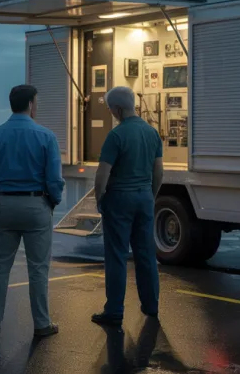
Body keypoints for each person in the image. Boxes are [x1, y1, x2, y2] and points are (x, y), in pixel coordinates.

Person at [0, 84, 63, 338]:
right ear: (30, 104)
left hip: (4, 203)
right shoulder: (46, 136)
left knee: (0, 266)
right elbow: (54, 179)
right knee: (38, 268)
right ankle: (41, 324)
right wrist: (52, 201)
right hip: (35, 204)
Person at [89, 86, 162, 326]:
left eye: (111, 109)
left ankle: (114, 310)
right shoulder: (152, 133)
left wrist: (100, 197)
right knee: (146, 255)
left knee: (117, 256)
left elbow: (103, 173)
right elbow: (158, 171)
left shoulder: (116, 136)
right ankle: (151, 306)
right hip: (144, 198)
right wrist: (150, 194)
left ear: (118, 109)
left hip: (119, 199)